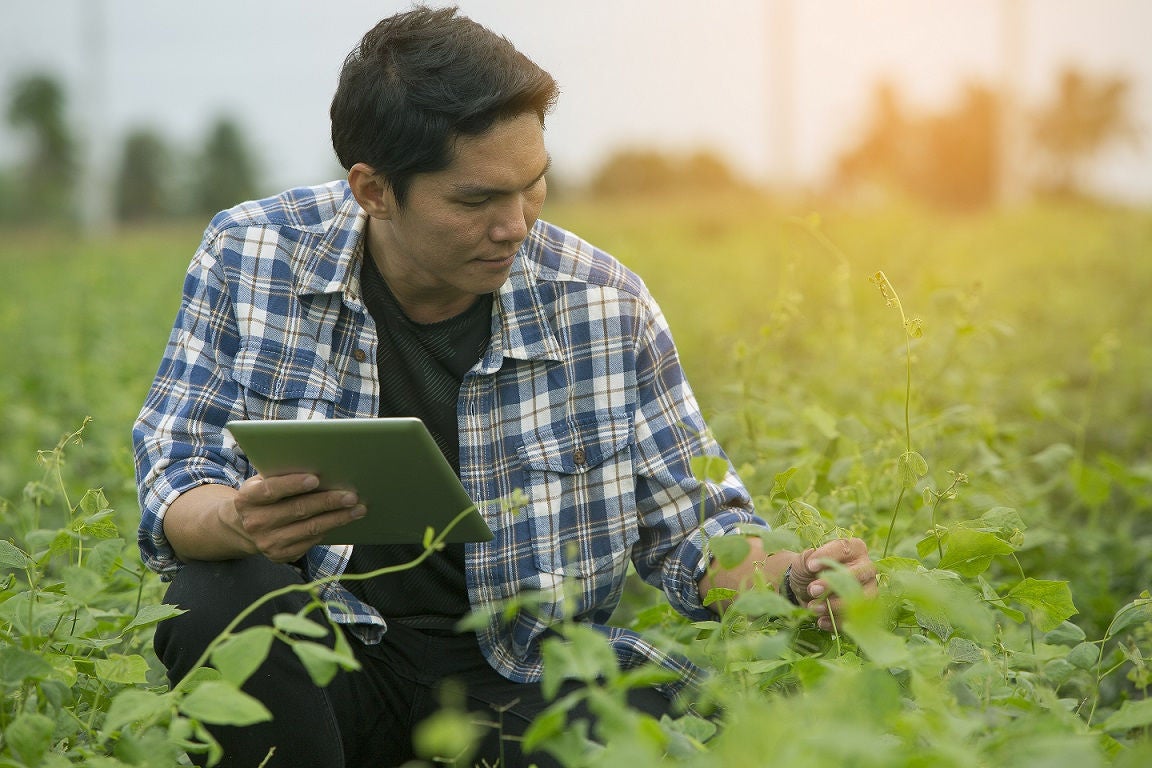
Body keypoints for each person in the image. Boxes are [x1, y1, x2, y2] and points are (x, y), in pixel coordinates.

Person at [133, 6, 877, 767]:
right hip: (337, 663)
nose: (516, 225)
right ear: (373, 190)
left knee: (667, 725)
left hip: (525, 679)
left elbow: (694, 531)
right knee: (212, 601)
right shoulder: (253, 256)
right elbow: (175, 468)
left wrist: (797, 578)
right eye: (476, 200)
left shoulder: (601, 305)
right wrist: (237, 520)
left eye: (533, 186)